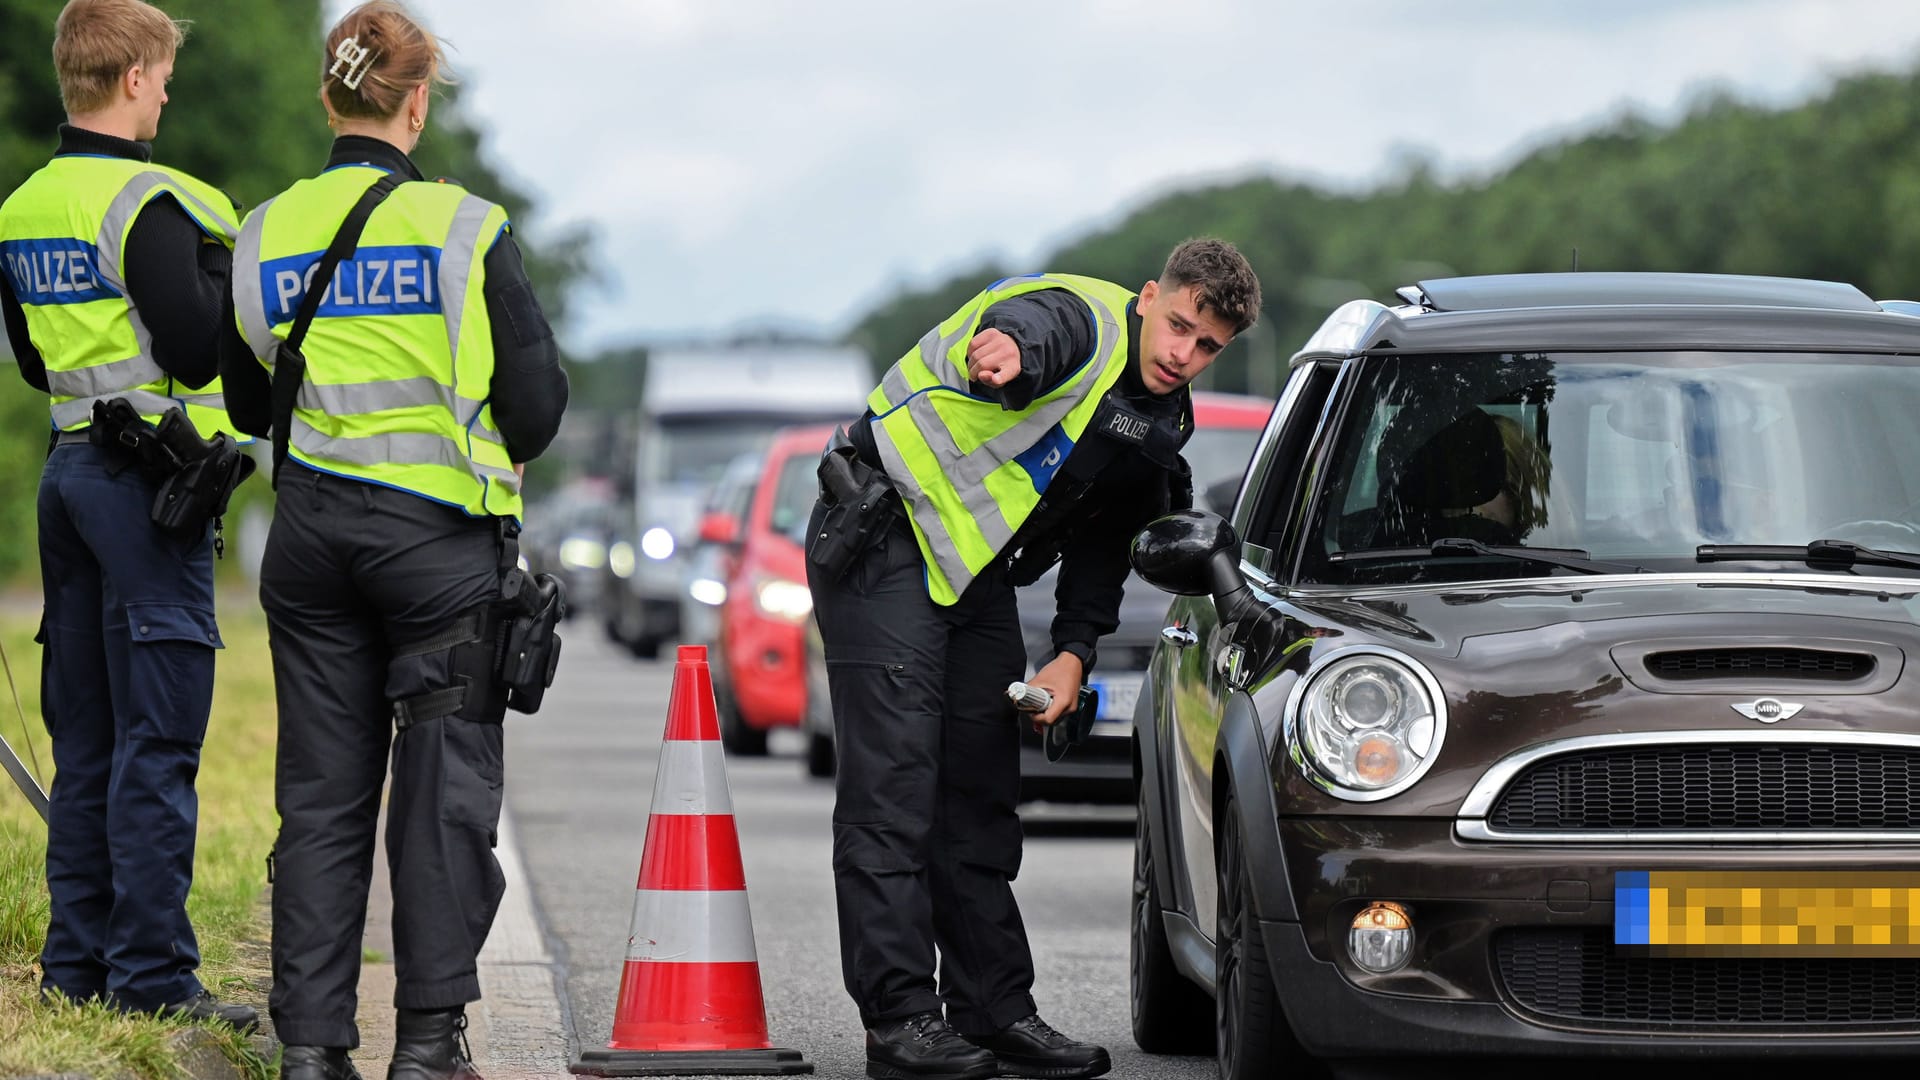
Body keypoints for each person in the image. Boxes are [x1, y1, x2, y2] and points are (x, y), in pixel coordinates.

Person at [806, 239, 1261, 1080]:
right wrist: (1008, 351)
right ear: (1150, 295)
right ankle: (901, 1023)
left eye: (1207, 348)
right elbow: (1030, 327)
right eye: (1178, 326)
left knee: (980, 792)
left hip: (965, 569)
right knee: (896, 788)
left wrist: (1074, 655)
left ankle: (993, 1011)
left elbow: (1103, 545)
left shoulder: (1162, 418)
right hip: (881, 534)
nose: (1181, 355)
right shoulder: (1082, 322)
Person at [217, 3, 567, 1078]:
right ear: (417, 103)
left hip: (313, 542)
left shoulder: (264, 228)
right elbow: (539, 404)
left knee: (321, 795)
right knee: (441, 791)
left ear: (332, 95)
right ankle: (425, 1048)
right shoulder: (465, 227)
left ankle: (312, 1053)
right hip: (435, 549)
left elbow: (242, 396)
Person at [0, 0, 257, 1033]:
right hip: (148, 491)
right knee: (160, 736)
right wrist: (213, 274)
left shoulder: (22, 206)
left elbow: (29, 361)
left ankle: (77, 966)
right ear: (139, 78)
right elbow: (196, 352)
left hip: (67, 474)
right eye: (165, 78)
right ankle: (152, 977)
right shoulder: (151, 198)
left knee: (90, 734)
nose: (167, 94)